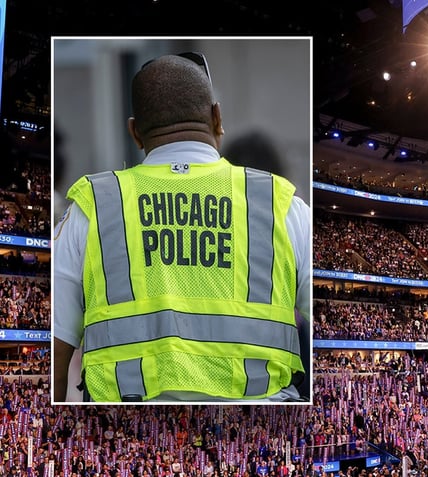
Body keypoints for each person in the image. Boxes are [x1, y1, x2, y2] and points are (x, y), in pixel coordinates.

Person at [52, 52, 311, 402]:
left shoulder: (92, 208)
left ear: (135, 132)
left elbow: (53, 346)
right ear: (217, 117)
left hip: (126, 437)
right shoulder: (283, 207)